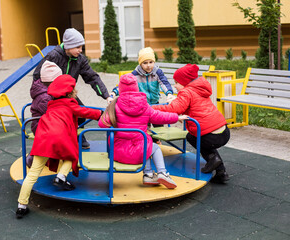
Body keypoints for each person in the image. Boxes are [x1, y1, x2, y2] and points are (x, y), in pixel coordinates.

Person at [16, 75, 102, 219]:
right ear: (70, 92)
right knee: (71, 155)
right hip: (59, 137)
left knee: (32, 174)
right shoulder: (70, 103)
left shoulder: (51, 105)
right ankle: (61, 177)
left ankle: (21, 206)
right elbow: (85, 112)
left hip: (43, 139)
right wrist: (102, 114)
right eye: (75, 88)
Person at [99, 73, 188, 189]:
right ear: (136, 87)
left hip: (117, 152)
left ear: (120, 88)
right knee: (150, 145)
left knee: (144, 142)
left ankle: (149, 174)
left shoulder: (114, 105)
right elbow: (159, 116)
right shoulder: (144, 105)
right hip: (139, 153)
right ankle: (161, 173)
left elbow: (102, 124)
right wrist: (177, 117)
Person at [33, 28, 112, 149]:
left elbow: (92, 77)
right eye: (78, 47)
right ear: (68, 46)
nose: (81, 50)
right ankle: (61, 141)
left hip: (67, 93)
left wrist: (106, 95)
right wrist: (46, 94)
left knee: (80, 112)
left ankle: (79, 137)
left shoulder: (80, 59)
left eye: (81, 47)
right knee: (63, 115)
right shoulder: (54, 56)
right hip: (52, 94)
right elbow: (38, 75)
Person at [152, 64, 230, 183]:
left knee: (193, 137)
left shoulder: (186, 92)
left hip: (211, 136)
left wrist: (152, 108)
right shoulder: (199, 89)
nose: (175, 85)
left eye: (177, 82)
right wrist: (177, 100)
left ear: (184, 83)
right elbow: (190, 103)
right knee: (204, 142)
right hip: (224, 131)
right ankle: (221, 173)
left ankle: (214, 161)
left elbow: (175, 108)